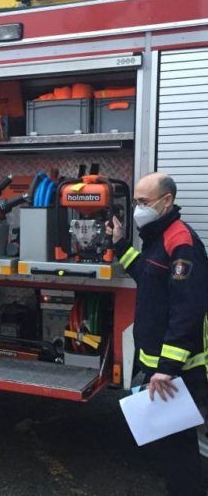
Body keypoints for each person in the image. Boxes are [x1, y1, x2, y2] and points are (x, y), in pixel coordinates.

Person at [106, 172, 208, 495]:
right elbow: (148, 276)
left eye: (144, 202)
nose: (138, 208)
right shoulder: (158, 237)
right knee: (172, 446)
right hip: (163, 370)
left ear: (167, 202)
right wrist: (120, 244)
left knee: (179, 451)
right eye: (136, 201)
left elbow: (187, 311)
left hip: (179, 372)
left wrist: (166, 369)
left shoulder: (181, 243)